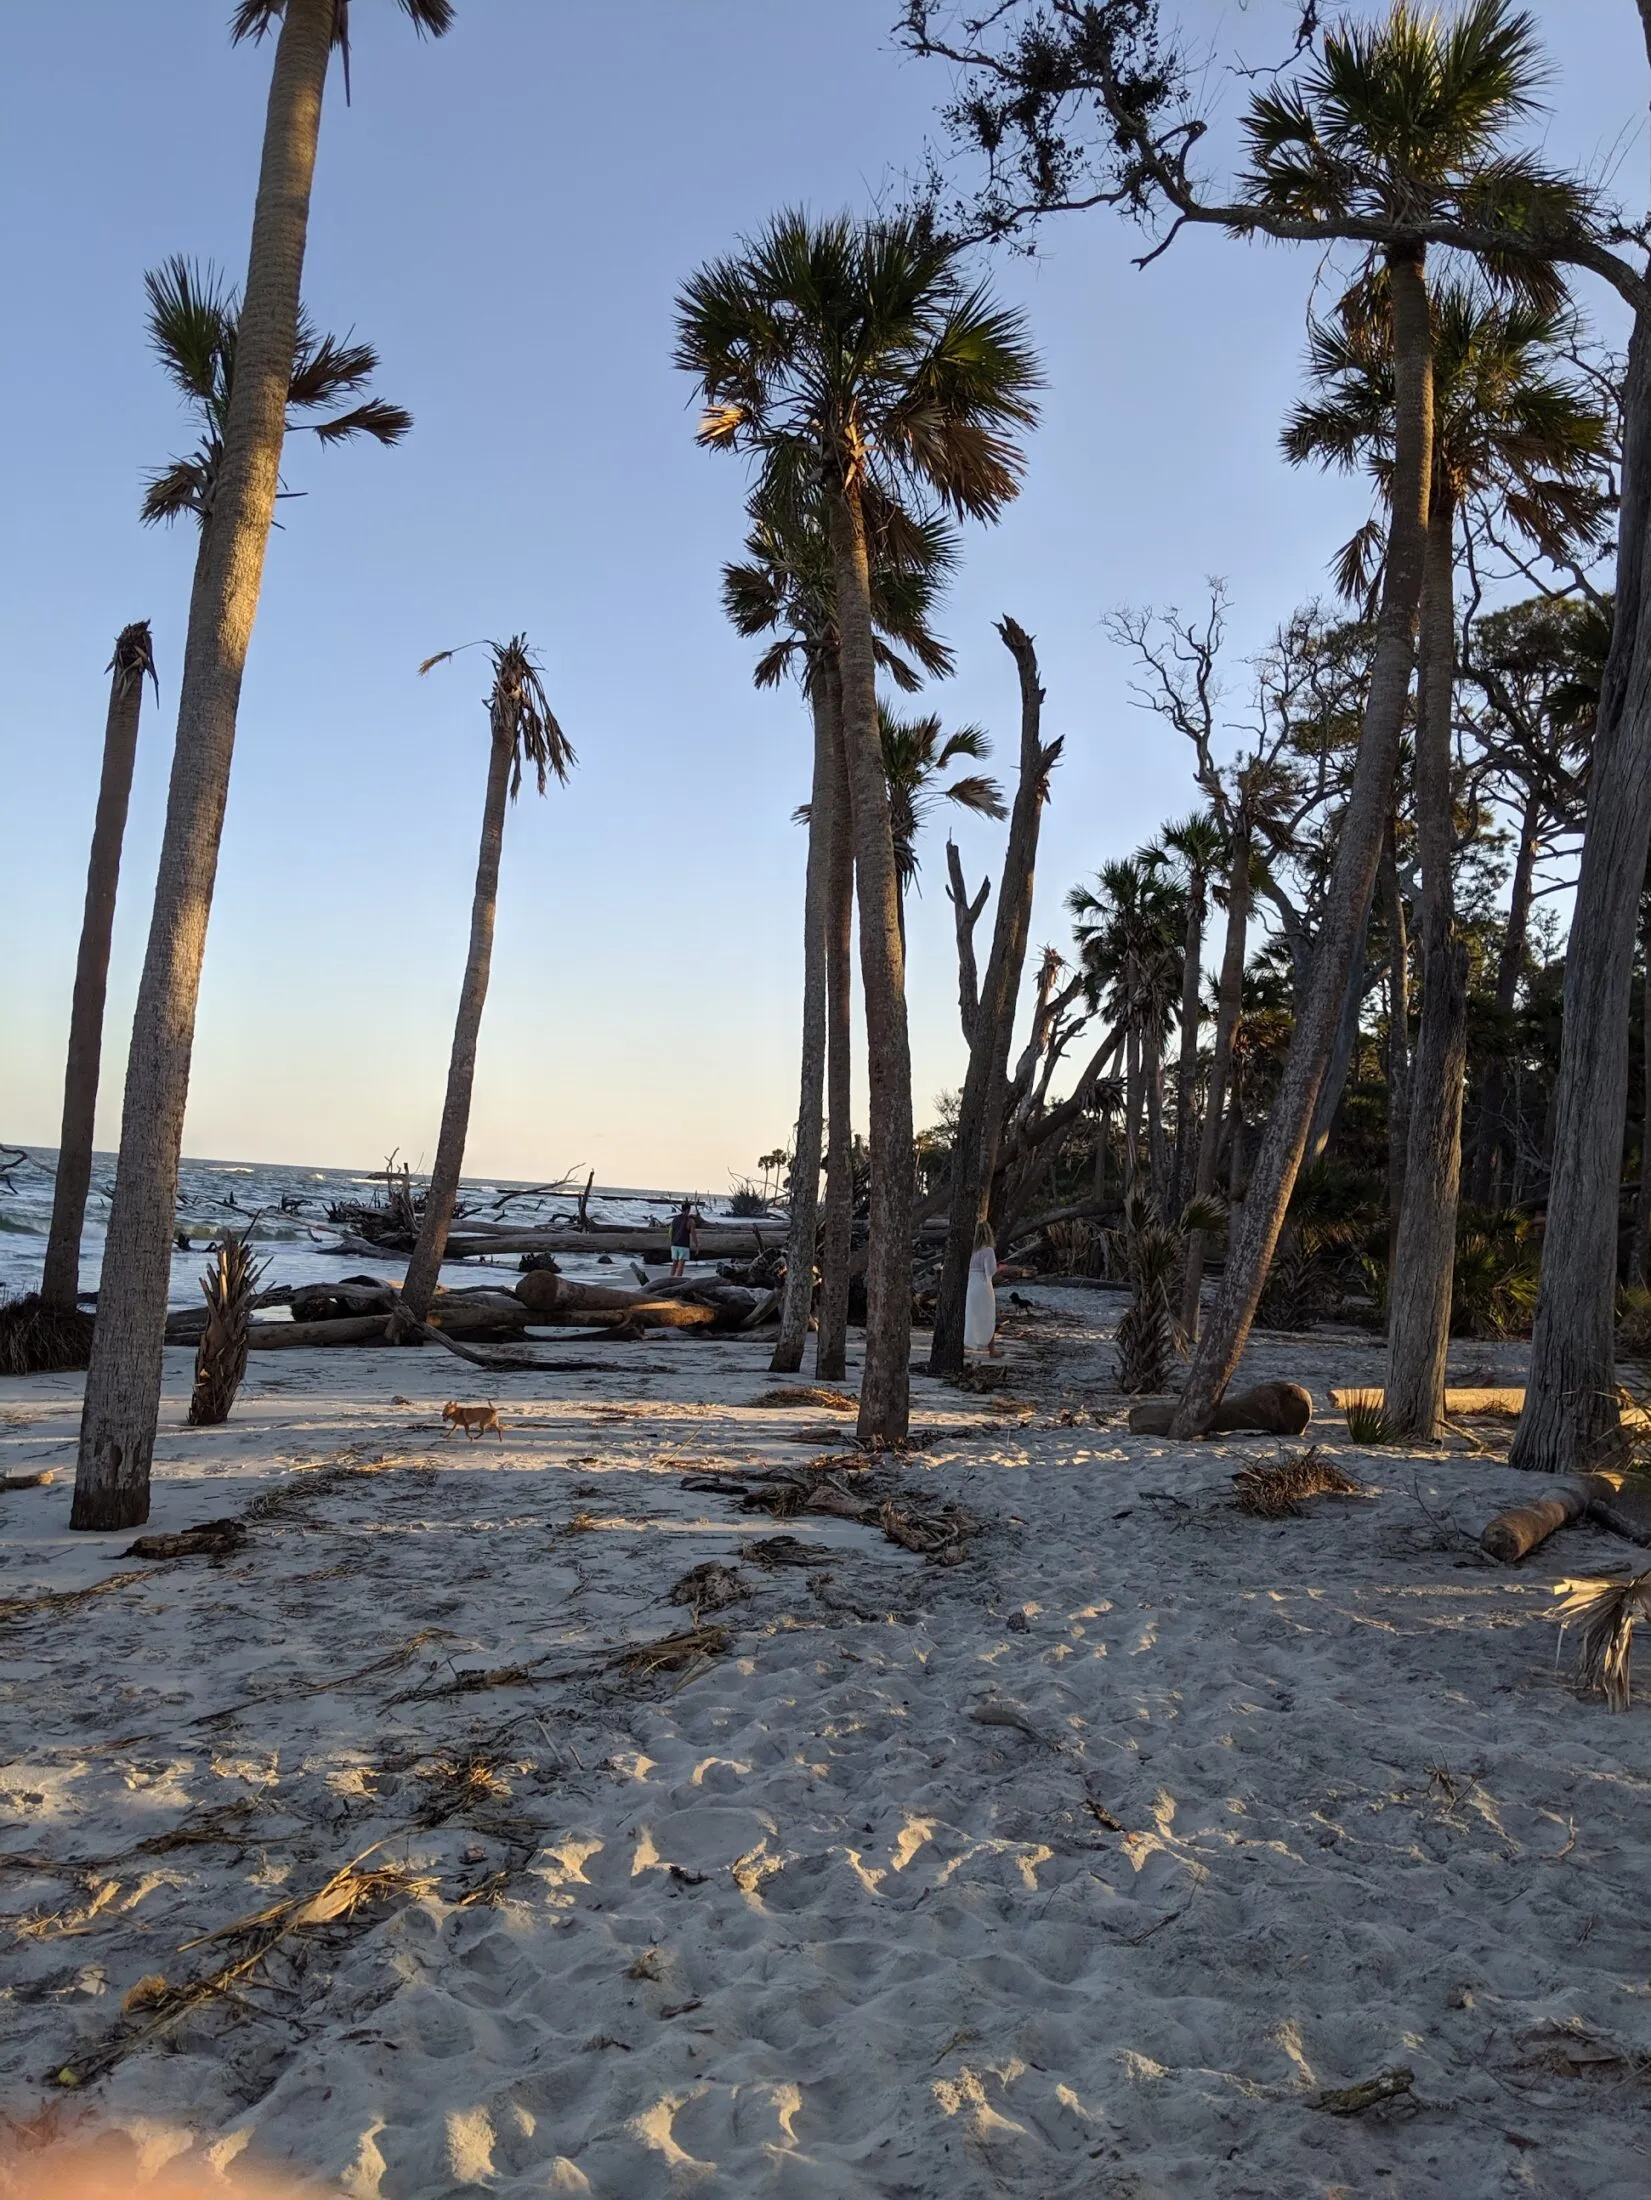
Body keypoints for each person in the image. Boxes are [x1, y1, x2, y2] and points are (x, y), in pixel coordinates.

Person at [964, 1218, 1000, 1357]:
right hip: (983, 1284)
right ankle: (991, 1349)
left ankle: (965, 1344)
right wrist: (1000, 1269)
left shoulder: (971, 1251)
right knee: (987, 1315)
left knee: (970, 1314)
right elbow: (990, 1270)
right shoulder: (988, 1250)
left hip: (970, 1283)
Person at [669, 1198, 698, 1279]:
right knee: (681, 1264)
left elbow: (671, 1232)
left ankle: (670, 1279)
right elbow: (693, 1234)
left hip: (674, 1244)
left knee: (674, 1264)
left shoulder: (675, 1219)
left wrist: (672, 1242)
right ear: (688, 1209)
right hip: (683, 1245)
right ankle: (678, 1280)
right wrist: (697, 1245)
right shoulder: (690, 1221)